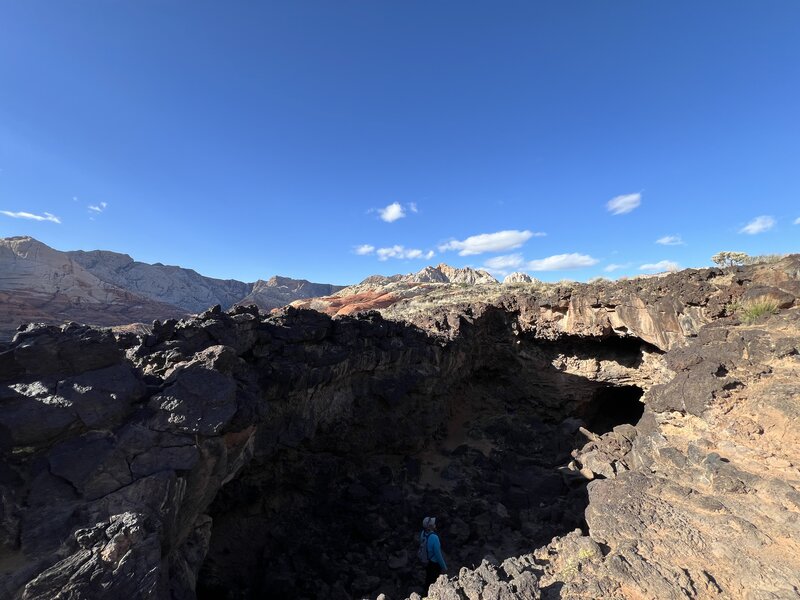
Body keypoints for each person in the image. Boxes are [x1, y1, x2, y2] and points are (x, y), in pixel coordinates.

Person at [421, 516, 447, 588]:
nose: (435, 525)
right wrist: (444, 567)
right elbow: (438, 554)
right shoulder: (434, 538)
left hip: (427, 561)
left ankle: (425, 593)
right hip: (434, 563)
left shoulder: (423, 533)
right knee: (435, 581)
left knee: (428, 578)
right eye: (433, 524)